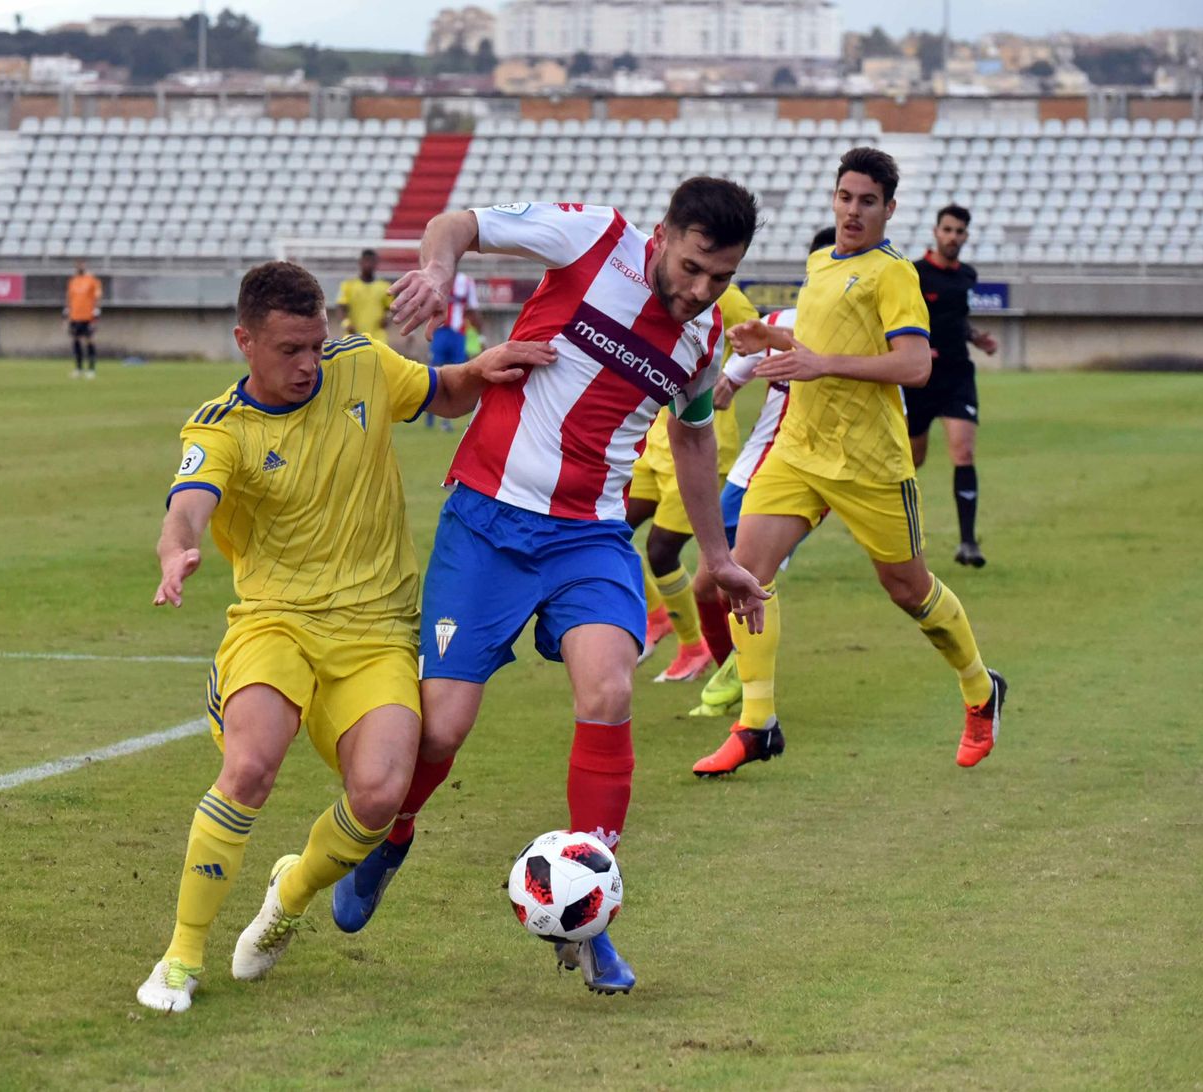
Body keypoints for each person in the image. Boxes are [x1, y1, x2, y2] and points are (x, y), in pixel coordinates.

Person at [331, 184, 770, 995]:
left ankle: (592, 912)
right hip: (489, 520)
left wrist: (720, 553)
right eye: (692, 266)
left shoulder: (704, 339)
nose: (702, 289)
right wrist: (434, 267)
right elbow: (457, 223)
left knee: (608, 691)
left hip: (591, 537)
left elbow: (695, 434)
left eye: (722, 275)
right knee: (440, 731)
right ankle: (391, 837)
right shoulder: (593, 239)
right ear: (663, 234)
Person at [136, 261, 552, 1014]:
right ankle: (180, 956)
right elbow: (190, 503)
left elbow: (441, 392)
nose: (307, 365)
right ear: (245, 342)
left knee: (381, 794)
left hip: (376, 630)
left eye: (314, 345)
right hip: (275, 622)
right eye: (289, 349)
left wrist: (480, 370)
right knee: (252, 766)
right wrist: (176, 549)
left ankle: (289, 894)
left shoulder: (358, 365)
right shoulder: (221, 428)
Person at [692, 148, 1008, 778]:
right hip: (800, 451)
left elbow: (915, 367)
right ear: (833, 198)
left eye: (868, 201)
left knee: (908, 589)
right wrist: (773, 340)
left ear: (889, 208)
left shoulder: (894, 274)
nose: (853, 210)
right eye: (845, 197)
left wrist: (817, 363)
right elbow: (820, 344)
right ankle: (757, 724)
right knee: (746, 573)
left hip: (870, 462)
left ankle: (980, 689)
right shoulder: (820, 261)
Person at [690, 226, 837, 720]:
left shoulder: (858, 338)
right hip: (748, 471)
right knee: (705, 585)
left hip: (804, 479)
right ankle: (731, 668)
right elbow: (730, 380)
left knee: (750, 580)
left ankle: (745, 691)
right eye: (820, 268)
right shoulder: (778, 322)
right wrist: (725, 386)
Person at [628, 281, 760, 684]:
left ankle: (693, 645)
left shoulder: (728, 297)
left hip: (701, 441)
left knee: (662, 549)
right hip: (653, 440)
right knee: (607, 528)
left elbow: (760, 345)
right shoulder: (650, 287)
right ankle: (655, 615)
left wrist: (731, 378)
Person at [909, 205, 999, 568]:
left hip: (958, 376)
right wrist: (917, 347)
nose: (953, 237)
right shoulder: (914, 273)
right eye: (947, 229)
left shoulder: (967, 276)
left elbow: (956, 320)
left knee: (963, 453)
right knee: (912, 460)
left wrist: (977, 338)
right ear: (936, 231)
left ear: (965, 236)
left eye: (959, 231)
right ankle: (896, 534)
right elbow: (902, 317)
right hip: (920, 378)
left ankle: (968, 543)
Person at [425, 269, 482, 431]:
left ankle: (446, 420)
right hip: (440, 333)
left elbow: (472, 310)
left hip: (458, 334)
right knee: (434, 372)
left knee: (457, 376)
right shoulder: (434, 279)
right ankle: (428, 412)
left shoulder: (466, 282)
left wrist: (480, 337)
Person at [336, 248, 394, 344]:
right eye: (366, 260)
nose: (369, 264)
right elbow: (341, 307)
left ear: (376, 263)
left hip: (378, 338)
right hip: (353, 337)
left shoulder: (385, 286)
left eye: (372, 261)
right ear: (360, 262)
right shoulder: (348, 285)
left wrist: (387, 318)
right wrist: (346, 323)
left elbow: (390, 308)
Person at [64, 261, 103, 378]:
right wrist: (66, 314)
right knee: (76, 341)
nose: (80, 267)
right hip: (75, 316)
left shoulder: (92, 280)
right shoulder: (73, 281)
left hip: (88, 316)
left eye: (82, 264)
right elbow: (68, 298)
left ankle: (91, 369)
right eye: (78, 265)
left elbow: (98, 297)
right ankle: (78, 368)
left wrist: (96, 313)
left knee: (90, 340)